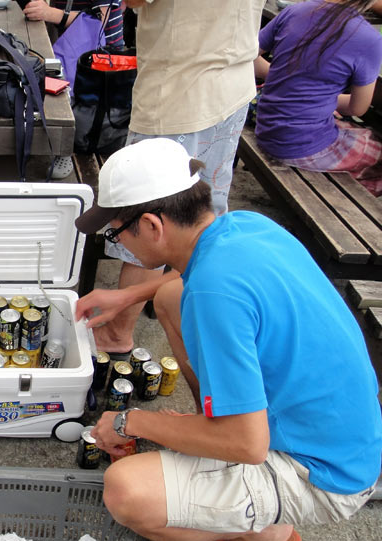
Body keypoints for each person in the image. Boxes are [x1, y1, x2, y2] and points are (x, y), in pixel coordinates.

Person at [74, 138, 381, 541]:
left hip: (324, 472)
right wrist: (128, 294)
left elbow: (249, 445)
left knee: (127, 493)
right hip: (348, 428)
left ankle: (264, 532)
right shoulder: (245, 225)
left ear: (152, 226)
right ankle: (217, 432)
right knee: (169, 295)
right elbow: (192, 277)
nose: (117, 242)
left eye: (116, 232)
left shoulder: (215, 297)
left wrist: (129, 423)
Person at [89, 0, 265, 362]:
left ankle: (118, 333)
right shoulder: (251, 234)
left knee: (145, 214)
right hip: (233, 84)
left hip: (179, 87)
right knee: (201, 220)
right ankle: (181, 317)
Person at [253, 0, 382, 197]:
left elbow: (249, 56)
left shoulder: (294, 11)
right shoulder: (369, 39)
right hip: (301, 145)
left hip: (266, 129)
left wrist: (289, 81)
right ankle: (340, 205)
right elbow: (358, 109)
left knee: (351, 130)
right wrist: (319, 98)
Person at [23, 0, 125, 179]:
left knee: (76, 101)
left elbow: (102, 19)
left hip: (100, 55)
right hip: (69, 44)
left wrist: (49, 13)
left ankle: (68, 148)